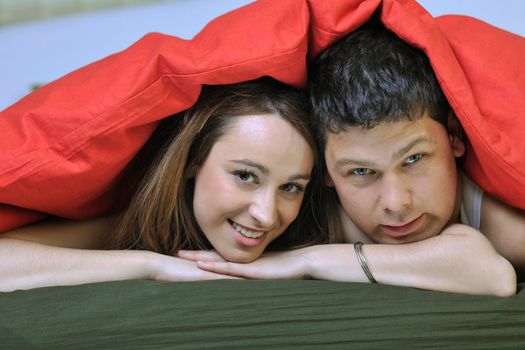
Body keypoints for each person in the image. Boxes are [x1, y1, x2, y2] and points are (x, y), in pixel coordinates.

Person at [189, 20, 524, 297]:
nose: (396, 203)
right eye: (361, 171)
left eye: (414, 159)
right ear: (324, 171)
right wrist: (161, 266)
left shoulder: (501, 222)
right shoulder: (294, 208)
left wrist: (306, 262)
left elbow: (489, 273)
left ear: (453, 136)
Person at [0, 78, 326, 292]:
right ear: (192, 165)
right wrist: (152, 265)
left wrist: (305, 260)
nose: (266, 216)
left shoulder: (318, 220)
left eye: (290, 187)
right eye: (245, 176)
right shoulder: (135, 221)